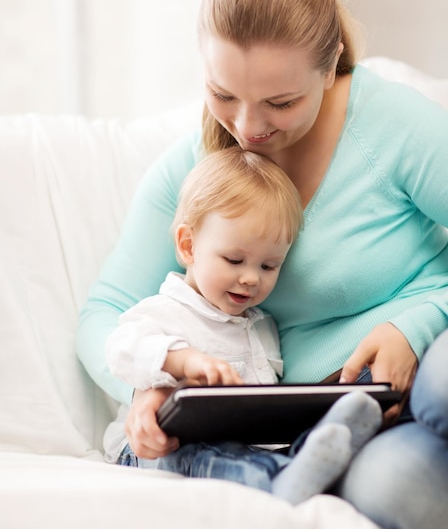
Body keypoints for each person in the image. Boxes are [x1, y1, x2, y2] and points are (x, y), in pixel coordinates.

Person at [76, 0, 448, 528]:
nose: (248, 128)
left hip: (435, 347)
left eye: (281, 102)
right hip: (338, 418)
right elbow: (104, 313)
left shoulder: (392, 125)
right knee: (402, 493)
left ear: (331, 70)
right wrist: (150, 390)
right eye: (223, 95)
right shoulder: (194, 174)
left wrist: (418, 323)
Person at [103, 146, 383, 505]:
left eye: (269, 266)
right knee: (203, 457)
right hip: (153, 451)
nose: (251, 279)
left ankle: (323, 440)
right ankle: (280, 481)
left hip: (242, 447)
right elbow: (121, 348)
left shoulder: (261, 325)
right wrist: (184, 361)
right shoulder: (166, 310)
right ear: (189, 246)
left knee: (258, 450)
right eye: (235, 260)